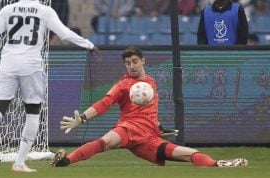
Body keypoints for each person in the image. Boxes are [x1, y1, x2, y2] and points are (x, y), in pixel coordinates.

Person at [50, 46, 248, 168]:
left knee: (188, 154)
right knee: (106, 141)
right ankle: (65, 161)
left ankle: (218, 165)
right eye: (127, 63)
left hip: (149, 138)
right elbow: (105, 103)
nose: (131, 66)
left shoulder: (151, 83)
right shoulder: (122, 85)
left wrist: (161, 128)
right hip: (128, 128)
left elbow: (150, 112)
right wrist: (82, 118)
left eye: (135, 61)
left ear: (143, 61)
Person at [0, 0, 100, 173]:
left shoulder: (8, 9)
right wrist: (88, 44)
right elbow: (64, 34)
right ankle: (19, 163)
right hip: (31, 65)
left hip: (8, 63)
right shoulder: (44, 11)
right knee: (33, 113)